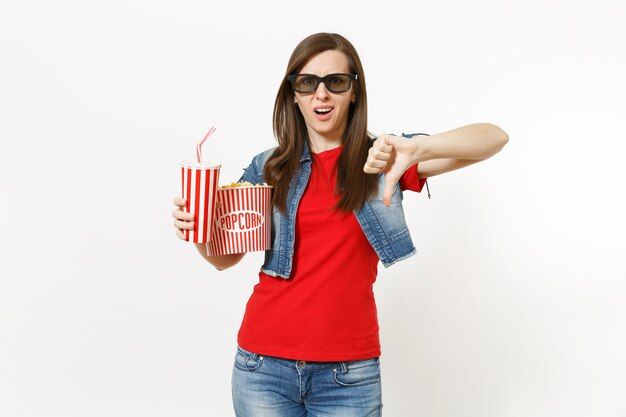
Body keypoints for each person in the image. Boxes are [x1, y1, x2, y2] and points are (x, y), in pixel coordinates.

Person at [172, 32, 508, 417]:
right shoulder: (267, 168)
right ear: (293, 94)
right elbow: (223, 259)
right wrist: (198, 229)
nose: (322, 94)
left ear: (353, 91)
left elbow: (494, 138)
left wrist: (418, 147)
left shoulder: (383, 159)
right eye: (307, 82)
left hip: (348, 375)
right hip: (262, 368)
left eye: (335, 82)